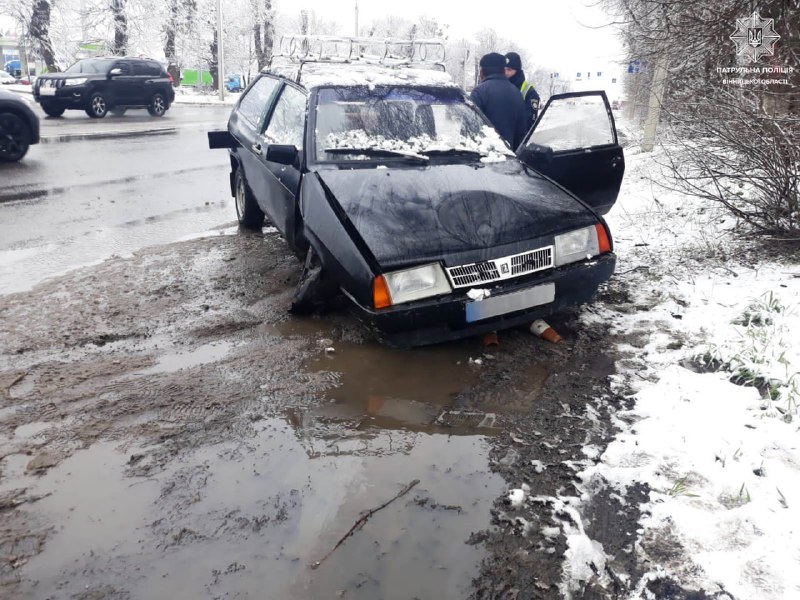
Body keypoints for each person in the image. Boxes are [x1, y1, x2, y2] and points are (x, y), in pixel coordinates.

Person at [469, 52, 527, 149]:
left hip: (483, 158)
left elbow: (469, 129)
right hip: (509, 158)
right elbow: (521, 133)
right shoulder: (517, 93)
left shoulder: (479, 92)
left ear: (482, 72)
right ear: (503, 71)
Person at [504, 52, 540, 133]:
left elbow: (529, 123)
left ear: (517, 70)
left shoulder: (529, 91)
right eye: (504, 69)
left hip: (518, 140)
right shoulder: (500, 85)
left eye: (509, 70)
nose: (506, 73)